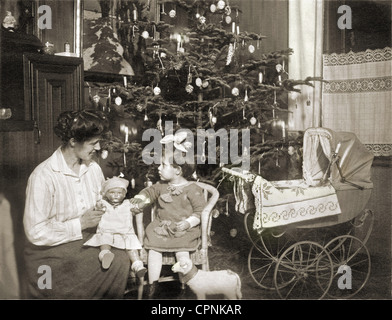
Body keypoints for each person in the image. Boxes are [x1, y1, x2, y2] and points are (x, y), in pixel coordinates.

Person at [23, 109, 130, 299]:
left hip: (86, 240)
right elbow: (35, 232)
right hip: (49, 252)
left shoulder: (93, 168)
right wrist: (80, 223)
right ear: (73, 141)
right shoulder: (43, 176)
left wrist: (104, 208)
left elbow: (101, 200)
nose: (98, 148)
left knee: (120, 258)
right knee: (111, 261)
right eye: (93, 143)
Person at [130, 134, 207, 299]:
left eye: (163, 165)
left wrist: (188, 223)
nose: (158, 168)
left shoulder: (192, 189)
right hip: (162, 228)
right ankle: (153, 286)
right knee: (154, 251)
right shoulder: (160, 187)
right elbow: (148, 193)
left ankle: (184, 285)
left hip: (183, 231)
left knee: (182, 254)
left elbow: (200, 211)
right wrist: (140, 200)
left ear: (178, 170)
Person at [84, 175, 147, 278]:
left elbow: (140, 207)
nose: (116, 196)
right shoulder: (103, 203)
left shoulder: (128, 204)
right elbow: (96, 209)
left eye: (119, 193)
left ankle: (137, 265)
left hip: (125, 233)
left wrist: (138, 205)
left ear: (124, 194)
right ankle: (105, 255)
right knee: (104, 242)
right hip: (107, 231)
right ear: (106, 194)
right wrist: (98, 207)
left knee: (131, 248)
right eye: (112, 193)